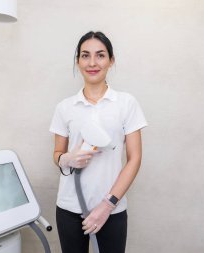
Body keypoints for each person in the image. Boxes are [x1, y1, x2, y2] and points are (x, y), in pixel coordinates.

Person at [49, 31, 147, 253]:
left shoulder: (126, 103)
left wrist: (107, 205)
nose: (92, 63)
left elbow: (135, 159)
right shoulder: (65, 107)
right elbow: (57, 154)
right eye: (85, 55)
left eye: (100, 55)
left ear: (111, 61)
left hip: (111, 210)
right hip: (69, 207)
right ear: (78, 61)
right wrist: (67, 158)